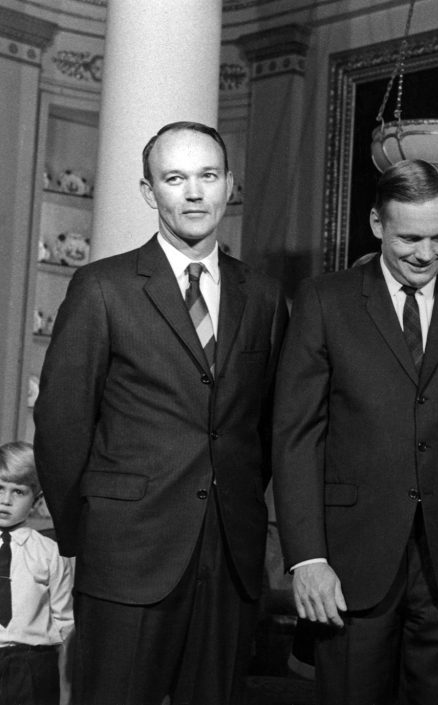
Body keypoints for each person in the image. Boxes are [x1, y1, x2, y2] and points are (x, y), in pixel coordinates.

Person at [34, 121, 289, 705]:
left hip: (229, 555)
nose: (194, 193)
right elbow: (61, 425)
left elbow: (267, 425)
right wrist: (87, 532)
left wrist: (240, 505)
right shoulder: (103, 287)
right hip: (126, 553)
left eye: (207, 176)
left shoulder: (265, 295)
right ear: (150, 192)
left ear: (229, 185)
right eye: (175, 178)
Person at [272, 159, 438, 704]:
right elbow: (296, 436)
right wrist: (307, 558)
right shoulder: (324, 301)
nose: (426, 253)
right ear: (376, 223)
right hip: (347, 566)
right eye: (410, 237)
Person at [0, 442, 73, 705]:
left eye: (18, 491)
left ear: (37, 500)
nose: (5, 501)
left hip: (33, 665)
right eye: (0, 488)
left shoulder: (50, 552)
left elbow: (66, 621)